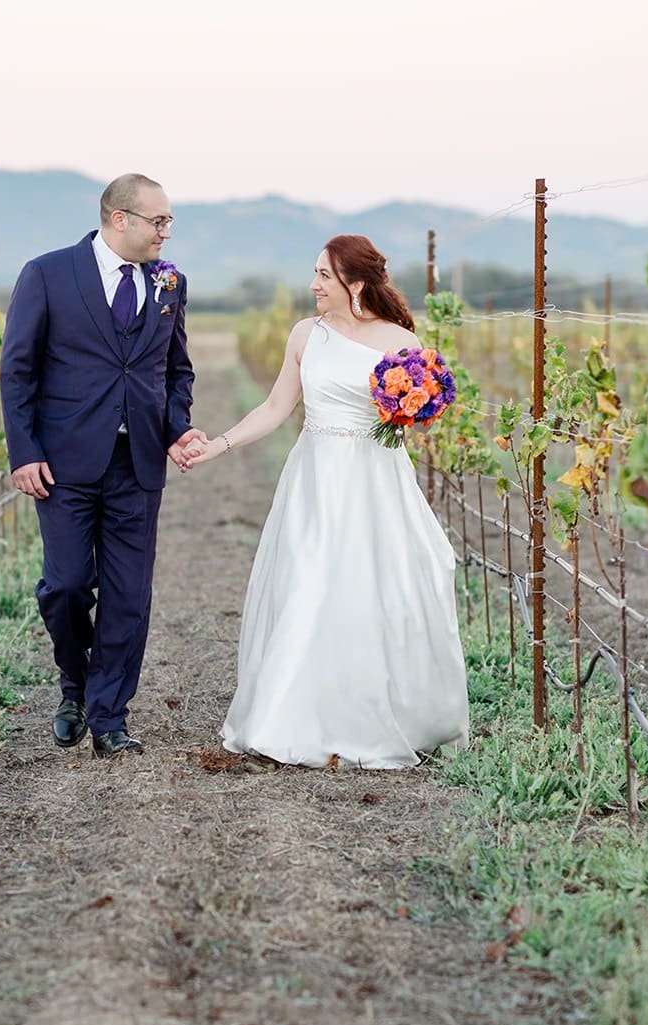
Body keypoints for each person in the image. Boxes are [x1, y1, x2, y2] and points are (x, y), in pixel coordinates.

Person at [186, 235, 469, 768]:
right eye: (314, 273)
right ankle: (287, 719)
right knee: (309, 583)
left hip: (375, 479)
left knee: (374, 589)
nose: (313, 284)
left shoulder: (400, 339)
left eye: (323, 276)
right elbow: (274, 408)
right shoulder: (304, 335)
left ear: (354, 284)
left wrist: (411, 412)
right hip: (314, 478)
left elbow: (422, 413)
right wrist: (216, 446)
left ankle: (380, 714)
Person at [0, 173, 205, 758]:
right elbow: (17, 371)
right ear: (120, 218)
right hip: (61, 464)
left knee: (127, 595)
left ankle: (109, 714)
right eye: (158, 221)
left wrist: (176, 426)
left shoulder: (171, 283)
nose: (166, 231)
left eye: (168, 221)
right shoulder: (47, 274)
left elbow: (175, 369)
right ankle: (76, 683)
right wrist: (25, 452)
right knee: (64, 586)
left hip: (136, 464)